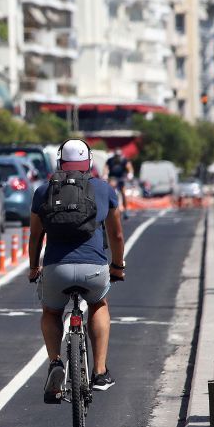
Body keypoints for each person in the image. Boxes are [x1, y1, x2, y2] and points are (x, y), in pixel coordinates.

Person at [28, 139, 126, 401]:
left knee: (51, 311)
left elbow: (35, 236)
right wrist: (117, 266)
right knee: (98, 305)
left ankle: (55, 362)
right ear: (90, 163)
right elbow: (116, 235)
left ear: (60, 162)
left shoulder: (43, 191)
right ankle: (100, 371)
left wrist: (33, 267)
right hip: (93, 269)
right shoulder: (104, 190)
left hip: (56, 269)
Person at [106, 150, 133, 218]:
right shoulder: (110, 160)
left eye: (118, 156)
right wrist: (105, 174)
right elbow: (106, 168)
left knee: (123, 193)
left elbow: (129, 167)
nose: (117, 157)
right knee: (110, 191)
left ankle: (126, 210)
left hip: (121, 178)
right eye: (116, 156)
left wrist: (130, 174)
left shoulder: (124, 160)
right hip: (112, 178)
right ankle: (109, 208)